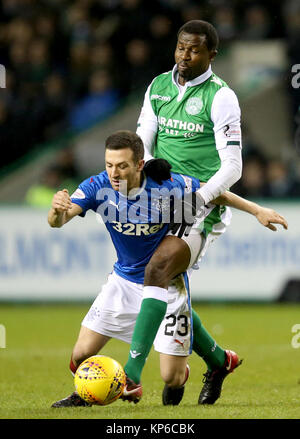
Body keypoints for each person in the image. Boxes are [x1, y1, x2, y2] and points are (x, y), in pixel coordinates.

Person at [48, 130, 288, 407]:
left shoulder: (168, 187)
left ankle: (155, 373)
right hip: (123, 282)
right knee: (80, 356)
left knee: (172, 377)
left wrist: (256, 209)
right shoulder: (96, 187)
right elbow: (59, 221)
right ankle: (87, 393)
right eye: (109, 165)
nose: (114, 173)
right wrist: (56, 210)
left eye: (122, 165)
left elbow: (215, 193)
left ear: (139, 164)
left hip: (165, 285)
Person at [122, 19, 277, 406]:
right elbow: (143, 140)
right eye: (180, 47)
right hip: (158, 200)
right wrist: (151, 165)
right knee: (169, 286)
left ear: (212, 55)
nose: (184, 56)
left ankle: (129, 377)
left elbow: (233, 167)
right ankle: (217, 359)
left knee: (157, 269)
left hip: (200, 209)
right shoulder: (158, 86)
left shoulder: (221, 96)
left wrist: (198, 199)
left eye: (193, 50)